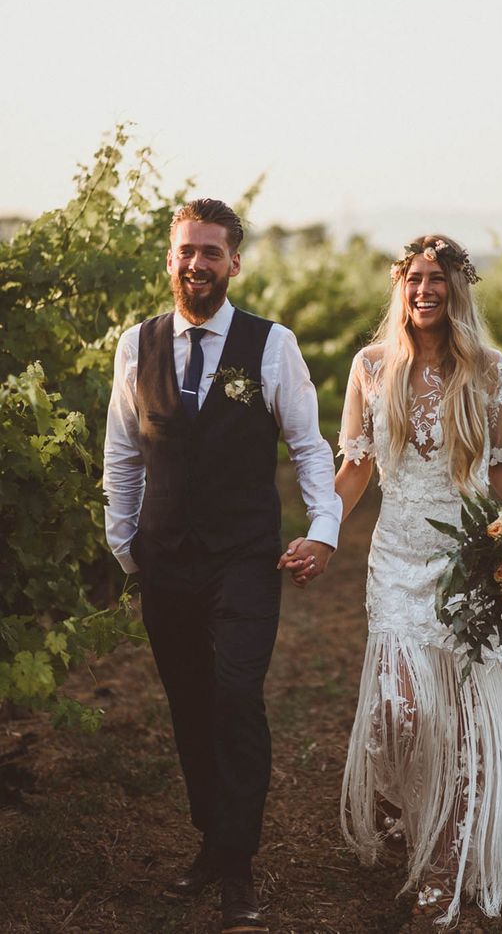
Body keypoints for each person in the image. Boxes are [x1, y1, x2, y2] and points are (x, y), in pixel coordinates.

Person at [103, 198, 341, 934]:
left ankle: (236, 865)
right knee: (190, 705)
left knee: (237, 698)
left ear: (235, 262)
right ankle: (212, 840)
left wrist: (324, 529)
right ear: (169, 259)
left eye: (212, 252)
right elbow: (120, 452)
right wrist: (125, 545)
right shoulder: (134, 346)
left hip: (243, 557)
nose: (197, 264)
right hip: (164, 560)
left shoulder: (271, 346)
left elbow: (308, 447)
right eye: (186, 251)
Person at [281, 234, 502, 927]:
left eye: (438, 279)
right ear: (401, 286)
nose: (425, 290)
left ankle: (440, 873)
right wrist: (322, 534)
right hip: (394, 558)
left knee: (454, 726)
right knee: (399, 714)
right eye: (414, 278)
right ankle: (401, 809)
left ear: (457, 290)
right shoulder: (370, 367)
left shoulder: (488, 371)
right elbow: (356, 467)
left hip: (469, 558)